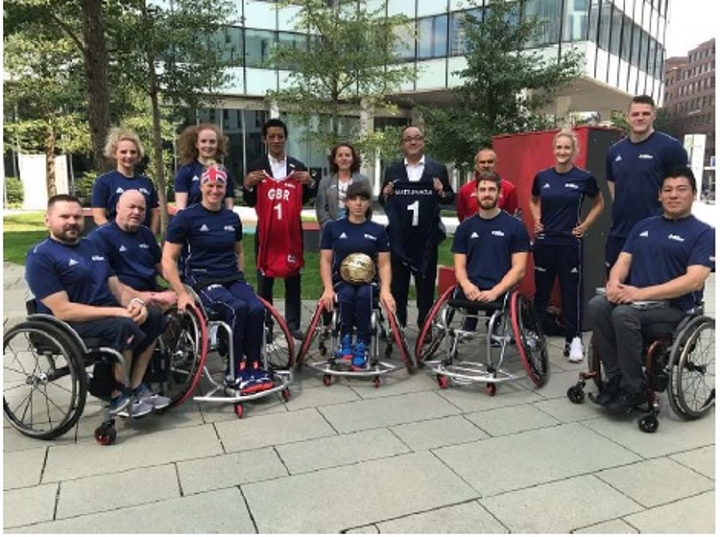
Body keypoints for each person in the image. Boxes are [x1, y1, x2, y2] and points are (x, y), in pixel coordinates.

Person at [25, 194, 169, 417]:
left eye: (77, 217)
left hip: (105, 314)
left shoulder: (91, 246)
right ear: (48, 220)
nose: (72, 222)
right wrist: (120, 312)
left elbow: (117, 288)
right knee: (124, 325)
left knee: (153, 315)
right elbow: (63, 310)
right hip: (70, 323)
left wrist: (135, 303)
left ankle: (137, 386)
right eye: (64, 217)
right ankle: (119, 394)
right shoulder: (40, 256)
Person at [586, 167, 715, 414]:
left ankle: (634, 388)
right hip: (635, 301)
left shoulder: (704, 233)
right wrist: (614, 283)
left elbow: (694, 281)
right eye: (668, 190)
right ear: (659, 195)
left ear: (694, 194)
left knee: (623, 315)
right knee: (597, 306)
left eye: (681, 189)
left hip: (674, 308)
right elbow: (623, 261)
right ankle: (616, 378)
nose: (673, 195)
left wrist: (638, 294)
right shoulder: (644, 226)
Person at [163, 164, 272, 393]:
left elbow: (239, 252)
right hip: (202, 279)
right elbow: (168, 260)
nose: (215, 190)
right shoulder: (186, 218)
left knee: (256, 308)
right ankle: (234, 368)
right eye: (210, 185)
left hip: (231, 277)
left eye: (220, 186)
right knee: (236, 308)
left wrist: (240, 277)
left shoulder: (231, 218)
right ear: (201, 187)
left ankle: (254, 364)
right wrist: (181, 293)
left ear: (225, 189)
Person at [528, 130, 605, 363]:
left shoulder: (584, 178)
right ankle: (534, 335)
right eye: (559, 147)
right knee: (541, 292)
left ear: (574, 151)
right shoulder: (542, 177)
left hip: (570, 243)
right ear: (553, 150)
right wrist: (536, 219)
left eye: (567, 148)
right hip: (545, 242)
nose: (562, 151)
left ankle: (574, 340)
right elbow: (533, 200)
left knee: (571, 294)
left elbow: (599, 203)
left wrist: (586, 225)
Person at [242, 118, 316, 340]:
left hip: (291, 232)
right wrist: (247, 185)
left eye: (280, 136)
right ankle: (265, 325)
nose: (276, 140)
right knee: (265, 281)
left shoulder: (297, 167)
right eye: (272, 136)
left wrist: (310, 182)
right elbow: (250, 200)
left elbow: (306, 197)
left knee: (293, 279)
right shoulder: (256, 167)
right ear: (264, 139)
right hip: (267, 233)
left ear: (286, 138)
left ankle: (293, 325)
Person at [380, 125, 454, 332]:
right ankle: (398, 326)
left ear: (423, 141)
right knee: (398, 286)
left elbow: (449, 197)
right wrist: (385, 193)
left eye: (417, 138)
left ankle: (425, 326)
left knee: (426, 286)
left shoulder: (437, 169)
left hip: (426, 238)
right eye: (408, 139)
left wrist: (441, 192)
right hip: (400, 238)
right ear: (402, 144)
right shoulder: (393, 170)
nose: (413, 142)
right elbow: (383, 200)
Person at [605, 94, 688, 269]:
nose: (640, 117)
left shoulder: (670, 147)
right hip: (620, 233)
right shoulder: (614, 151)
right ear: (627, 117)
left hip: (657, 232)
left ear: (654, 115)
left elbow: (683, 189)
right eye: (635, 114)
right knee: (615, 282)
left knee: (650, 284)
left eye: (645, 113)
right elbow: (612, 183)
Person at [319, 182, 395, 370]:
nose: (358, 203)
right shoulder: (333, 228)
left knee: (364, 294)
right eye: (354, 199)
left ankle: (362, 343)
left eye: (363, 199)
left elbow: (384, 264)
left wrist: (386, 290)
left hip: (368, 281)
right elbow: (326, 261)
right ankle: (345, 339)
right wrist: (327, 288)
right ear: (347, 202)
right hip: (341, 280)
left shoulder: (378, 230)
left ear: (369, 203)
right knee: (346, 294)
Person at [453, 171, 531, 312]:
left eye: (491, 190)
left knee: (496, 318)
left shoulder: (516, 226)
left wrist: (495, 291)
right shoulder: (464, 227)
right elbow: (459, 266)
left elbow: (519, 269)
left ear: (500, 193)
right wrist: (466, 285)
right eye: (482, 190)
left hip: (501, 290)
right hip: (471, 289)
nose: (487, 194)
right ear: (476, 193)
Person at [89, 190, 177, 311]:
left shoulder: (146, 234)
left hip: (151, 289)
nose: (136, 212)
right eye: (131, 207)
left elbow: (161, 266)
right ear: (118, 208)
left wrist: (179, 285)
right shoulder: (100, 237)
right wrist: (152, 297)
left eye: (141, 209)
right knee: (155, 313)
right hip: (122, 298)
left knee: (188, 303)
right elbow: (107, 283)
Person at [92, 127, 160, 234]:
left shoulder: (146, 183)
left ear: (138, 154)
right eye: (123, 152)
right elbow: (98, 216)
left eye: (133, 152)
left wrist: (150, 237)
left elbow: (155, 214)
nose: (129, 156)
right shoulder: (104, 182)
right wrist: (116, 237)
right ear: (114, 153)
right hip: (115, 239)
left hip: (142, 239)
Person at [174, 123, 235, 210]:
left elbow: (229, 207)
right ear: (196, 144)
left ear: (218, 144)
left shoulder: (224, 172)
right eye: (203, 141)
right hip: (193, 218)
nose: (208, 145)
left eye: (212, 142)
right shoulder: (185, 172)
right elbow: (181, 208)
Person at [316, 142, 372, 228]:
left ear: (353, 159)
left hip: (357, 229)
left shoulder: (363, 181)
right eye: (340, 155)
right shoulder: (325, 182)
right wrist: (333, 228)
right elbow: (321, 210)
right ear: (335, 160)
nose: (344, 158)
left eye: (347, 155)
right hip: (331, 230)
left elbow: (368, 207)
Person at [456, 147, 518, 222]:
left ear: (496, 164)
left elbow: (511, 216)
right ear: (476, 165)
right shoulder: (465, 190)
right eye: (482, 162)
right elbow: (462, 217)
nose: (486, 165)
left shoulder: (509, 189)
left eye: (490, 162)